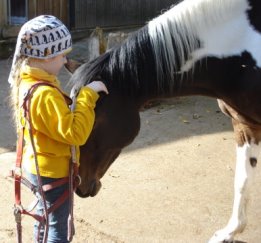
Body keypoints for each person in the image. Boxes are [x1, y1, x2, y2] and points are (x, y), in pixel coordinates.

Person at [8, 15, 108, 242]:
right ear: (45, 55)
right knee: (57, 228)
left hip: (37, 167)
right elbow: (76, 134)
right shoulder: (45, 94)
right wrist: (87, 96)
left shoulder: (28, 81)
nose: (65, 61)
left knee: (45, 217)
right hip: (52, 173)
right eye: (62, 55)